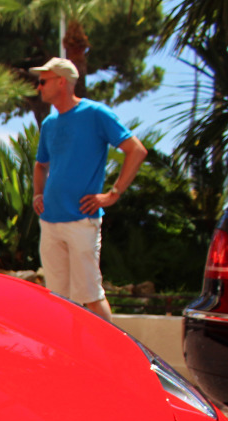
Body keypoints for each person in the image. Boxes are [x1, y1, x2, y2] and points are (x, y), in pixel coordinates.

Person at [31, 58, 147, 322]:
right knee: (58, 301)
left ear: (62, 81)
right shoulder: (49, 124)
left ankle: (115, 360)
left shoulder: (96, 114)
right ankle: (64, 361)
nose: (39, 87)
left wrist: (113, 194)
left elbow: (136, 151)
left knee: (92, 298)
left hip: (82, 220)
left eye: (43, 81)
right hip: (50, 223)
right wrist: (38, 194)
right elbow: (41, 165)